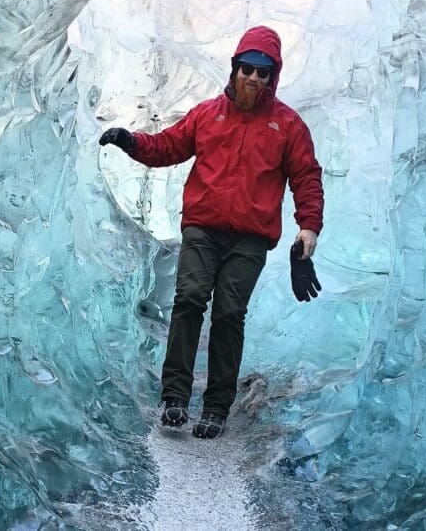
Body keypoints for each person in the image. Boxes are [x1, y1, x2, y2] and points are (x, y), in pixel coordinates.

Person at [99, 25, 324, 438]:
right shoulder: (208, 114)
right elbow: (168, 147)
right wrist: (130, 141)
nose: (255, 78)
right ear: (236, 67)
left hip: (250, 238)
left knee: (228, 313)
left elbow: (306, 177)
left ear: (274, 76)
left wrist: (308, 228)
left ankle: (217, 406)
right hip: (202, 228)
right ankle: (174, 399)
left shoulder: (288, 126)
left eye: (265, 72)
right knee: (188, 300)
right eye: (249, 68)